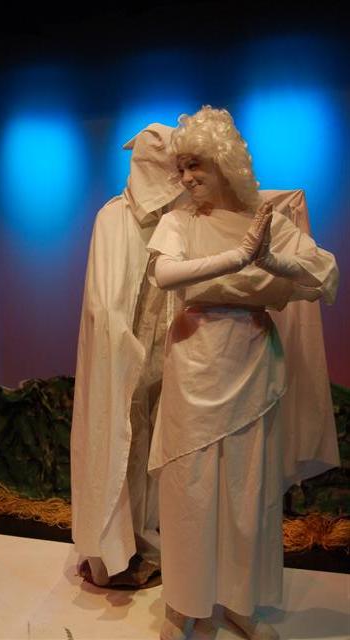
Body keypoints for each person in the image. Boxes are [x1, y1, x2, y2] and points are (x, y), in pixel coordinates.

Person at [145, 106, 339, 640]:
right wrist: (239, 259)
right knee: (190, 487)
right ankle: (184, 603)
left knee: (245, 488)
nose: (186, 178)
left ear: (224, 164)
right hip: (196, 360)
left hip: (251, 361)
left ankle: (240, 599)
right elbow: (165, 274)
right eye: (181, 168)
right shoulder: (179, 221)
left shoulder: (267, 221)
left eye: (196, 166)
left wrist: (272, 261)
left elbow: (324, 274)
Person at [70, 123, 185, 586]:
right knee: (116, 445)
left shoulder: (177, 221)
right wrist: (125, 350)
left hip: (161, 355)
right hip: (122, 359)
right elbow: (103, 302)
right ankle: (110, 550)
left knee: (150, 451)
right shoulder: (112, 218)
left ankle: (142, 541)